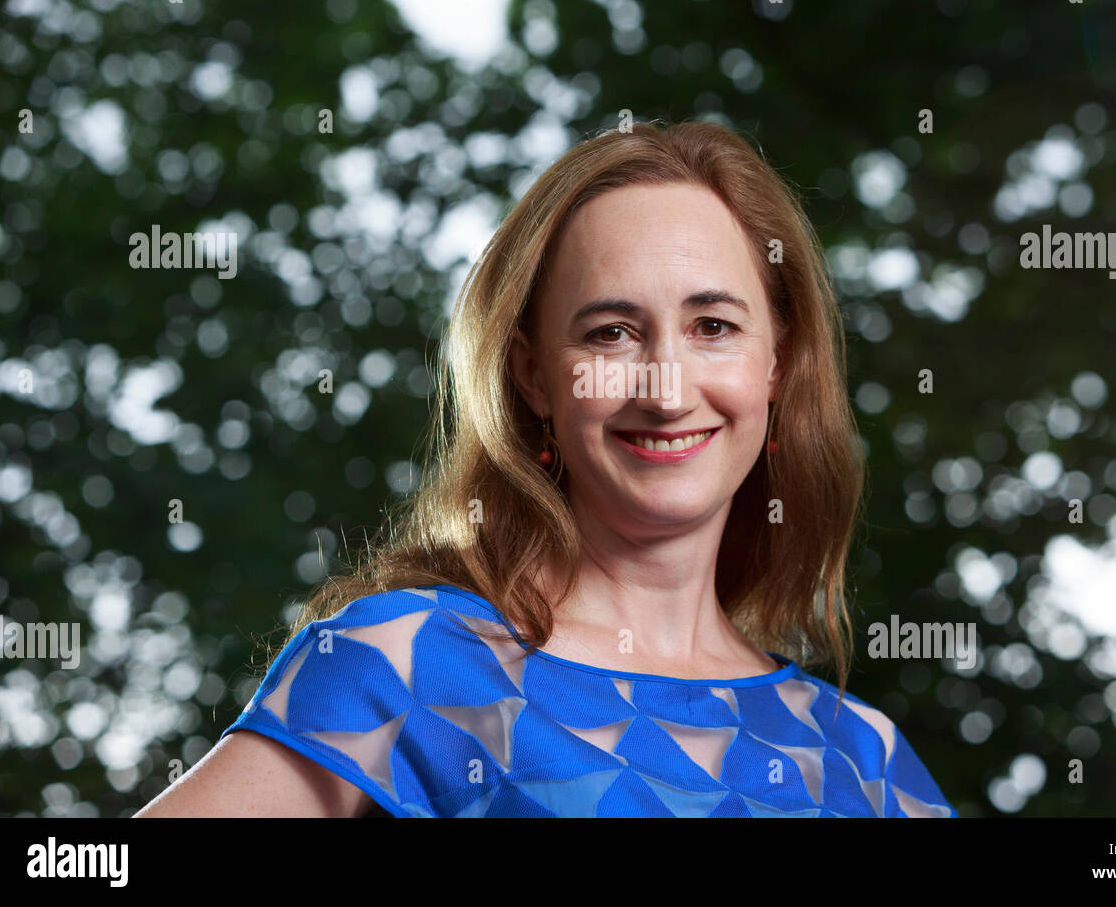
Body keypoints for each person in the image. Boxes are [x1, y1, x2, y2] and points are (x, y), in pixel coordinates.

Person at [136, 119, 957, 818]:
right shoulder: (407, 666)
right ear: (532, 375)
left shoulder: (865, 762)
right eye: (610, 334)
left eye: (713, 326)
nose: (668, 390)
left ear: (778, 361)